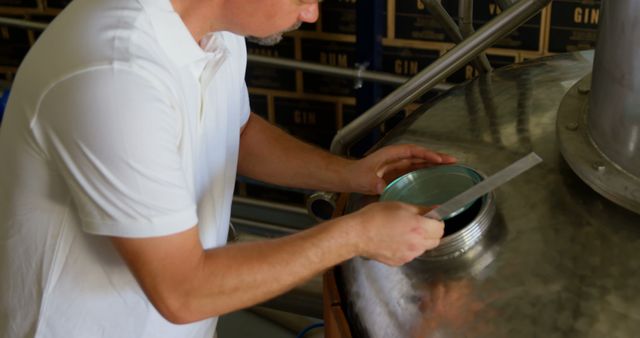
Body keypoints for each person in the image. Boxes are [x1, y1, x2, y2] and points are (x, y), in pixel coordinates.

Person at [0, 0, 456, 337]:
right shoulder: (115, 74)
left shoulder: (214, 31)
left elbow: (237, 132)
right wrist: (356, 235)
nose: (312, 13)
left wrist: (352, 175)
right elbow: (182, 291)